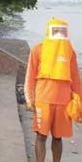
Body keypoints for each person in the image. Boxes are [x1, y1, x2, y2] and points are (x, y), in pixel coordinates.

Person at [25, 18, 81, 162]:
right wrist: (29, 98)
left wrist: (79, 102)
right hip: (44, 100)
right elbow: (30, 76)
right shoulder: (38, 49)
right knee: (43, 136)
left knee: (56, 137)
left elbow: (75, 79)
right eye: (57, 31)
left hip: (62, 101)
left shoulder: (70, 52)